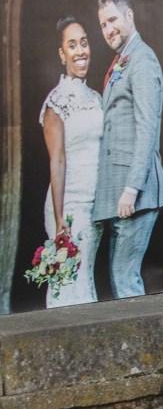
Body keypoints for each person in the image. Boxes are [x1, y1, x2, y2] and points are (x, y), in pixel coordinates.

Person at [92, 0, 163, 298]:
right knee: (121, 278)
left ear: (129, 16)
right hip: (121, 193)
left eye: (112, 20)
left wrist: (131, 188)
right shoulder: (124, 59)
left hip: (135, 193)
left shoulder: (143, 60)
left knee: (125, 281)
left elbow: (147, 128)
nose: (109, 29)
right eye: (103, 25)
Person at [39, 16, 103, 307]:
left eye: (84, 43)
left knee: (86, 282)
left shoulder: (96, 98)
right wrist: (59, 217)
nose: (80, 51)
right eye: (72, 45)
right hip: (70, 208)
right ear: (62, 54)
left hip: (94, 206)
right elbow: (58, 162)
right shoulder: (56, 102)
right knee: (69, 289)